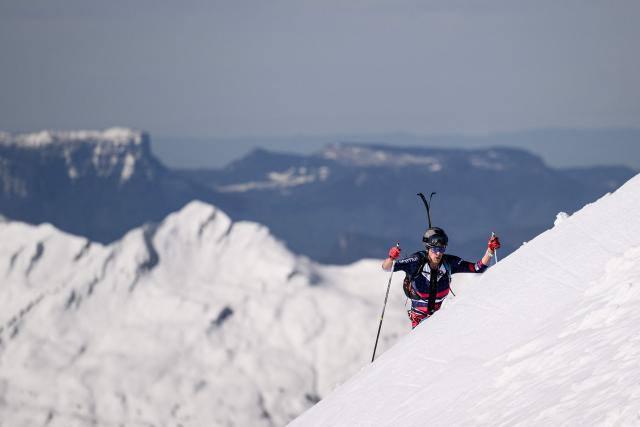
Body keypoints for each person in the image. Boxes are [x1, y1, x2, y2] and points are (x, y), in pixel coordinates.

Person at [382, 227, 501, 328]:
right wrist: (391, 258)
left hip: (441, 320)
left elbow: (478, 268)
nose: (438, 253)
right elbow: (387, 267)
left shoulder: (449, 263)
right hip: (419, 322)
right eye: (435, 249)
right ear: (428, 248)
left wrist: (490, 250)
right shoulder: (416, 261)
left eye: (442, 249)